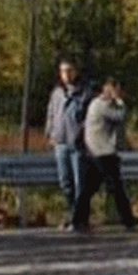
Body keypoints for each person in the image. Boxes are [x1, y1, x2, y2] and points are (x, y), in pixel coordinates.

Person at [72, 77, 138, 231]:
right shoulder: (100, 105)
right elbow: (119, 116)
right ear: (108, 88)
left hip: (97, 153)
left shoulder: (102, 104)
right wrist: (120, 102)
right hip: (101, 153)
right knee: (115, 188)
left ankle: (79, 220)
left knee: (89, 189)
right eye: (117, 90)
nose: (120, 93)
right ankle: (127, 220)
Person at [44, 60, 91, 229]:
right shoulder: (57, 93)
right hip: (60, 144)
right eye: (63, 71)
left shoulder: (85, 92)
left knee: (80, 184)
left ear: (76, 72)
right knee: (66, 183)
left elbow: (89, 119)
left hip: (77, 145)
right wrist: (51, 134)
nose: (66, 75)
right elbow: (51, 114)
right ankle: (74, 216)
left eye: (69, 71)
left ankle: (80, 219)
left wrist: (82, 135)